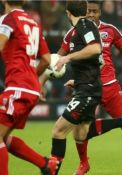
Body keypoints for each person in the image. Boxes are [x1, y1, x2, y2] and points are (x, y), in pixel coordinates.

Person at [55, 1, 122, 175]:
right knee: (81, 129)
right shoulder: (73, 32)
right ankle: (83, 164)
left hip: (110, 87)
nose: (91, 14)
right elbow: (57, 58)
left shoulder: (110, 30)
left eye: (95, 11)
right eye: (88, 11)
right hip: (87, 87)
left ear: (100, 12)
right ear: (83, 12)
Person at [0, 0, 58, 174]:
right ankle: (45, 165)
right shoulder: (33, 22)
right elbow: (47, 59)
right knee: (4, 138)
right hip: (31, 88)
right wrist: (33, 76)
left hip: (18, 87)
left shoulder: (8, 19)